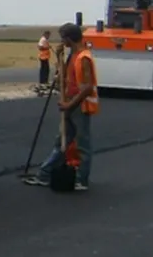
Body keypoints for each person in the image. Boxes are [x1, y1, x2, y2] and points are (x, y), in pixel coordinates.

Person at [22, 22, 99, 191]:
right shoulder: (73, 55)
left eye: (63, 38)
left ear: (70, 38)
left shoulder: (84, 57)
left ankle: (81, 180)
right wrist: (58, 58)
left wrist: (69, 104)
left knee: (82, 144)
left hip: (80, 106)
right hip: (70, 104)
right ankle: (44, 174)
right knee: (61, 142)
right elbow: (65, 75)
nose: (62, 42)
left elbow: (86, 88)